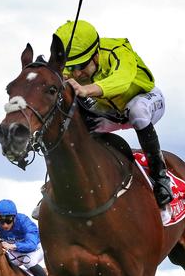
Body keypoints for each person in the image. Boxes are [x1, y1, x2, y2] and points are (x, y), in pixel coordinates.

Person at [54, 20, 173, 210]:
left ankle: (161, 179)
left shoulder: (118, 51)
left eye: (82, 65)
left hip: (146, 101)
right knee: (74, 125)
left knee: (137, 111)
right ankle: (58, 185)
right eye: (72, 66)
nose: (77, 72)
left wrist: (87, 89)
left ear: (96, 54)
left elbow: (121, 81)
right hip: (110, 113)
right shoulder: (75, 67)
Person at [0, 199, 47, 276]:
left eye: (8, 220)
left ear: (15, 217)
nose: (5, 225)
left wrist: (13, 246)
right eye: (1, 221)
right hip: (16, 252)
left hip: (35, 249)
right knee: (2, 262)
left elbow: (32, 245)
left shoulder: (24, 222)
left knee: (28, 261)